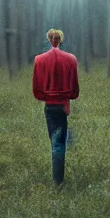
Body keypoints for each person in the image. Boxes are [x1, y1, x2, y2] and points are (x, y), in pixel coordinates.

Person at [32, 29, 79, 186]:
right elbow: (74, 91)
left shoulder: (39, 60)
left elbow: (37, 92)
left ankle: (58, 183)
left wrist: (48, 96)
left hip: (50, 106)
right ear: (60, 40)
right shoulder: (71, 59)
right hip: (63, 106)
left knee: (56, 142)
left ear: (49, 40)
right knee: (59, 142)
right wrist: (64, 96)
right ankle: (58, 182)